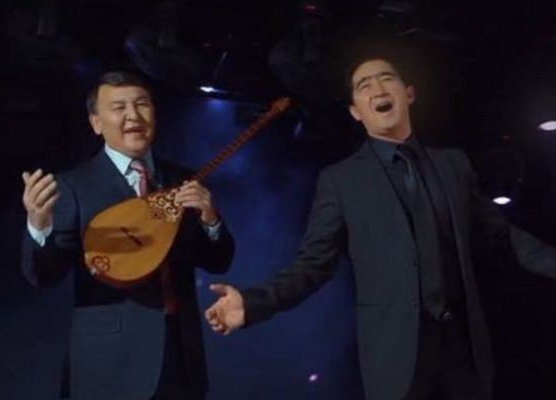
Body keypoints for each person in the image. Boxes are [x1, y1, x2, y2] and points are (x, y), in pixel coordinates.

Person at [205, 48, 556, 400]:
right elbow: (313, 265)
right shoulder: (342, 181)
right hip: (397, 358)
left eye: (387, 78)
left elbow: (503, 235)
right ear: (356, 112)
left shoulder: (453, 164)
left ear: (409, 93)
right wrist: (253, 303)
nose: (378, 89)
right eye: (365, 85)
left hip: (463, 353)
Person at [21, 71, 235, 400]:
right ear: (96, 123)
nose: (133, 116)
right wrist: (38, 225)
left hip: (181, 355)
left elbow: (219, 262)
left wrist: (210, 218)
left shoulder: (183, 179)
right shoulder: (73, 186)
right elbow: (44, 276)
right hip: (109, 364)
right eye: (119, 107)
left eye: (141, 104)